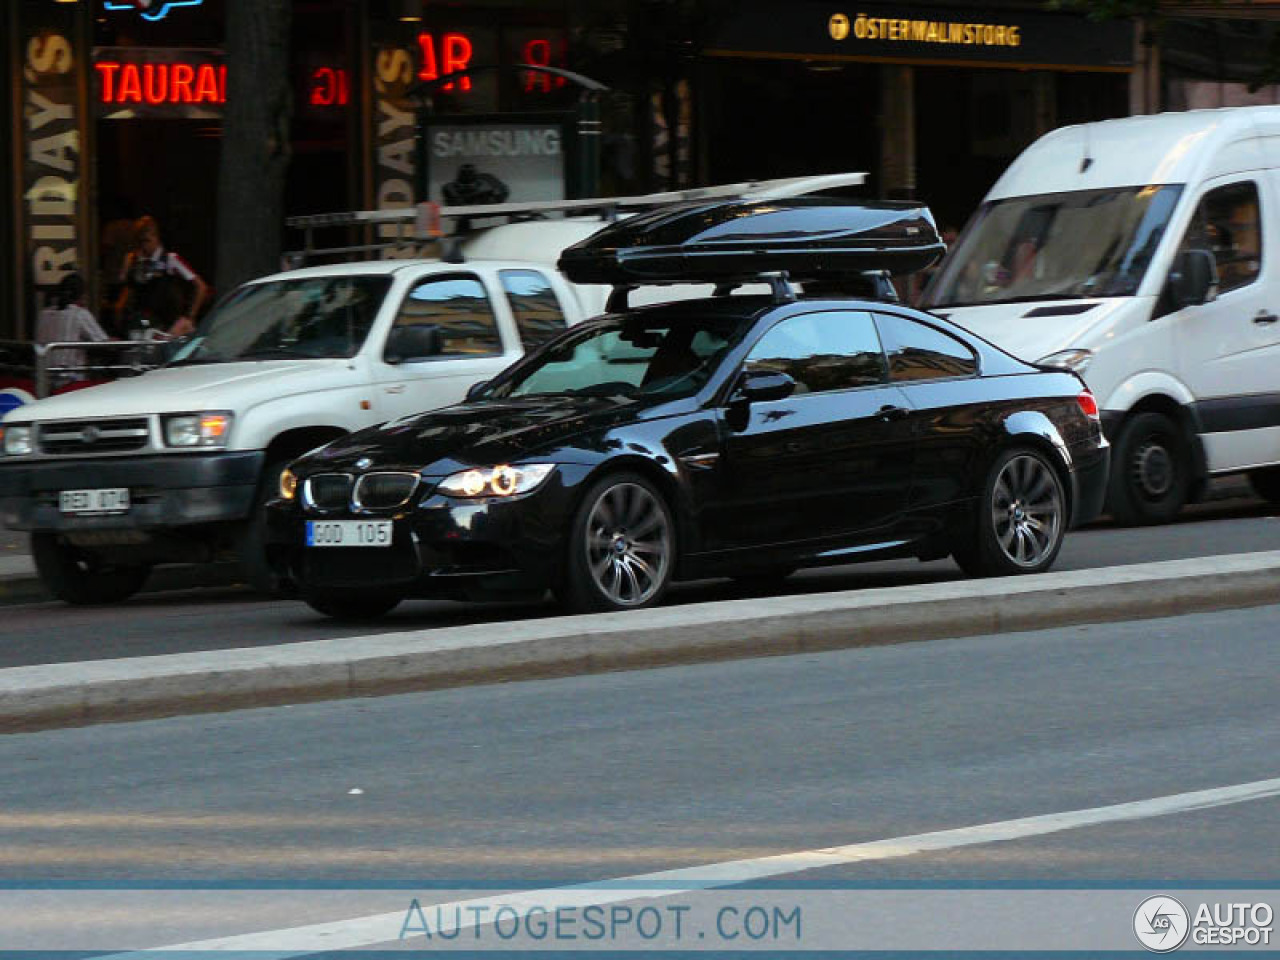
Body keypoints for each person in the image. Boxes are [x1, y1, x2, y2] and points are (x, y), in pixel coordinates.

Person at [115, 215, 209, 339]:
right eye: (140, 241)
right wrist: (119, 314)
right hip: (139, 325)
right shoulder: (132, 260)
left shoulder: (170, 259)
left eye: (147, 241)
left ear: (156, 237)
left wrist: (189, 317)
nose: (144, 247)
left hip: (167, 326)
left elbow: (201, 287)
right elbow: (126, 292)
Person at [36, 272, 111, 384]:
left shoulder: (44, 314)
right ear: (81, 295)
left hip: (42, 378)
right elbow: (103, 343)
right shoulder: (79, 314)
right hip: (69, 380)